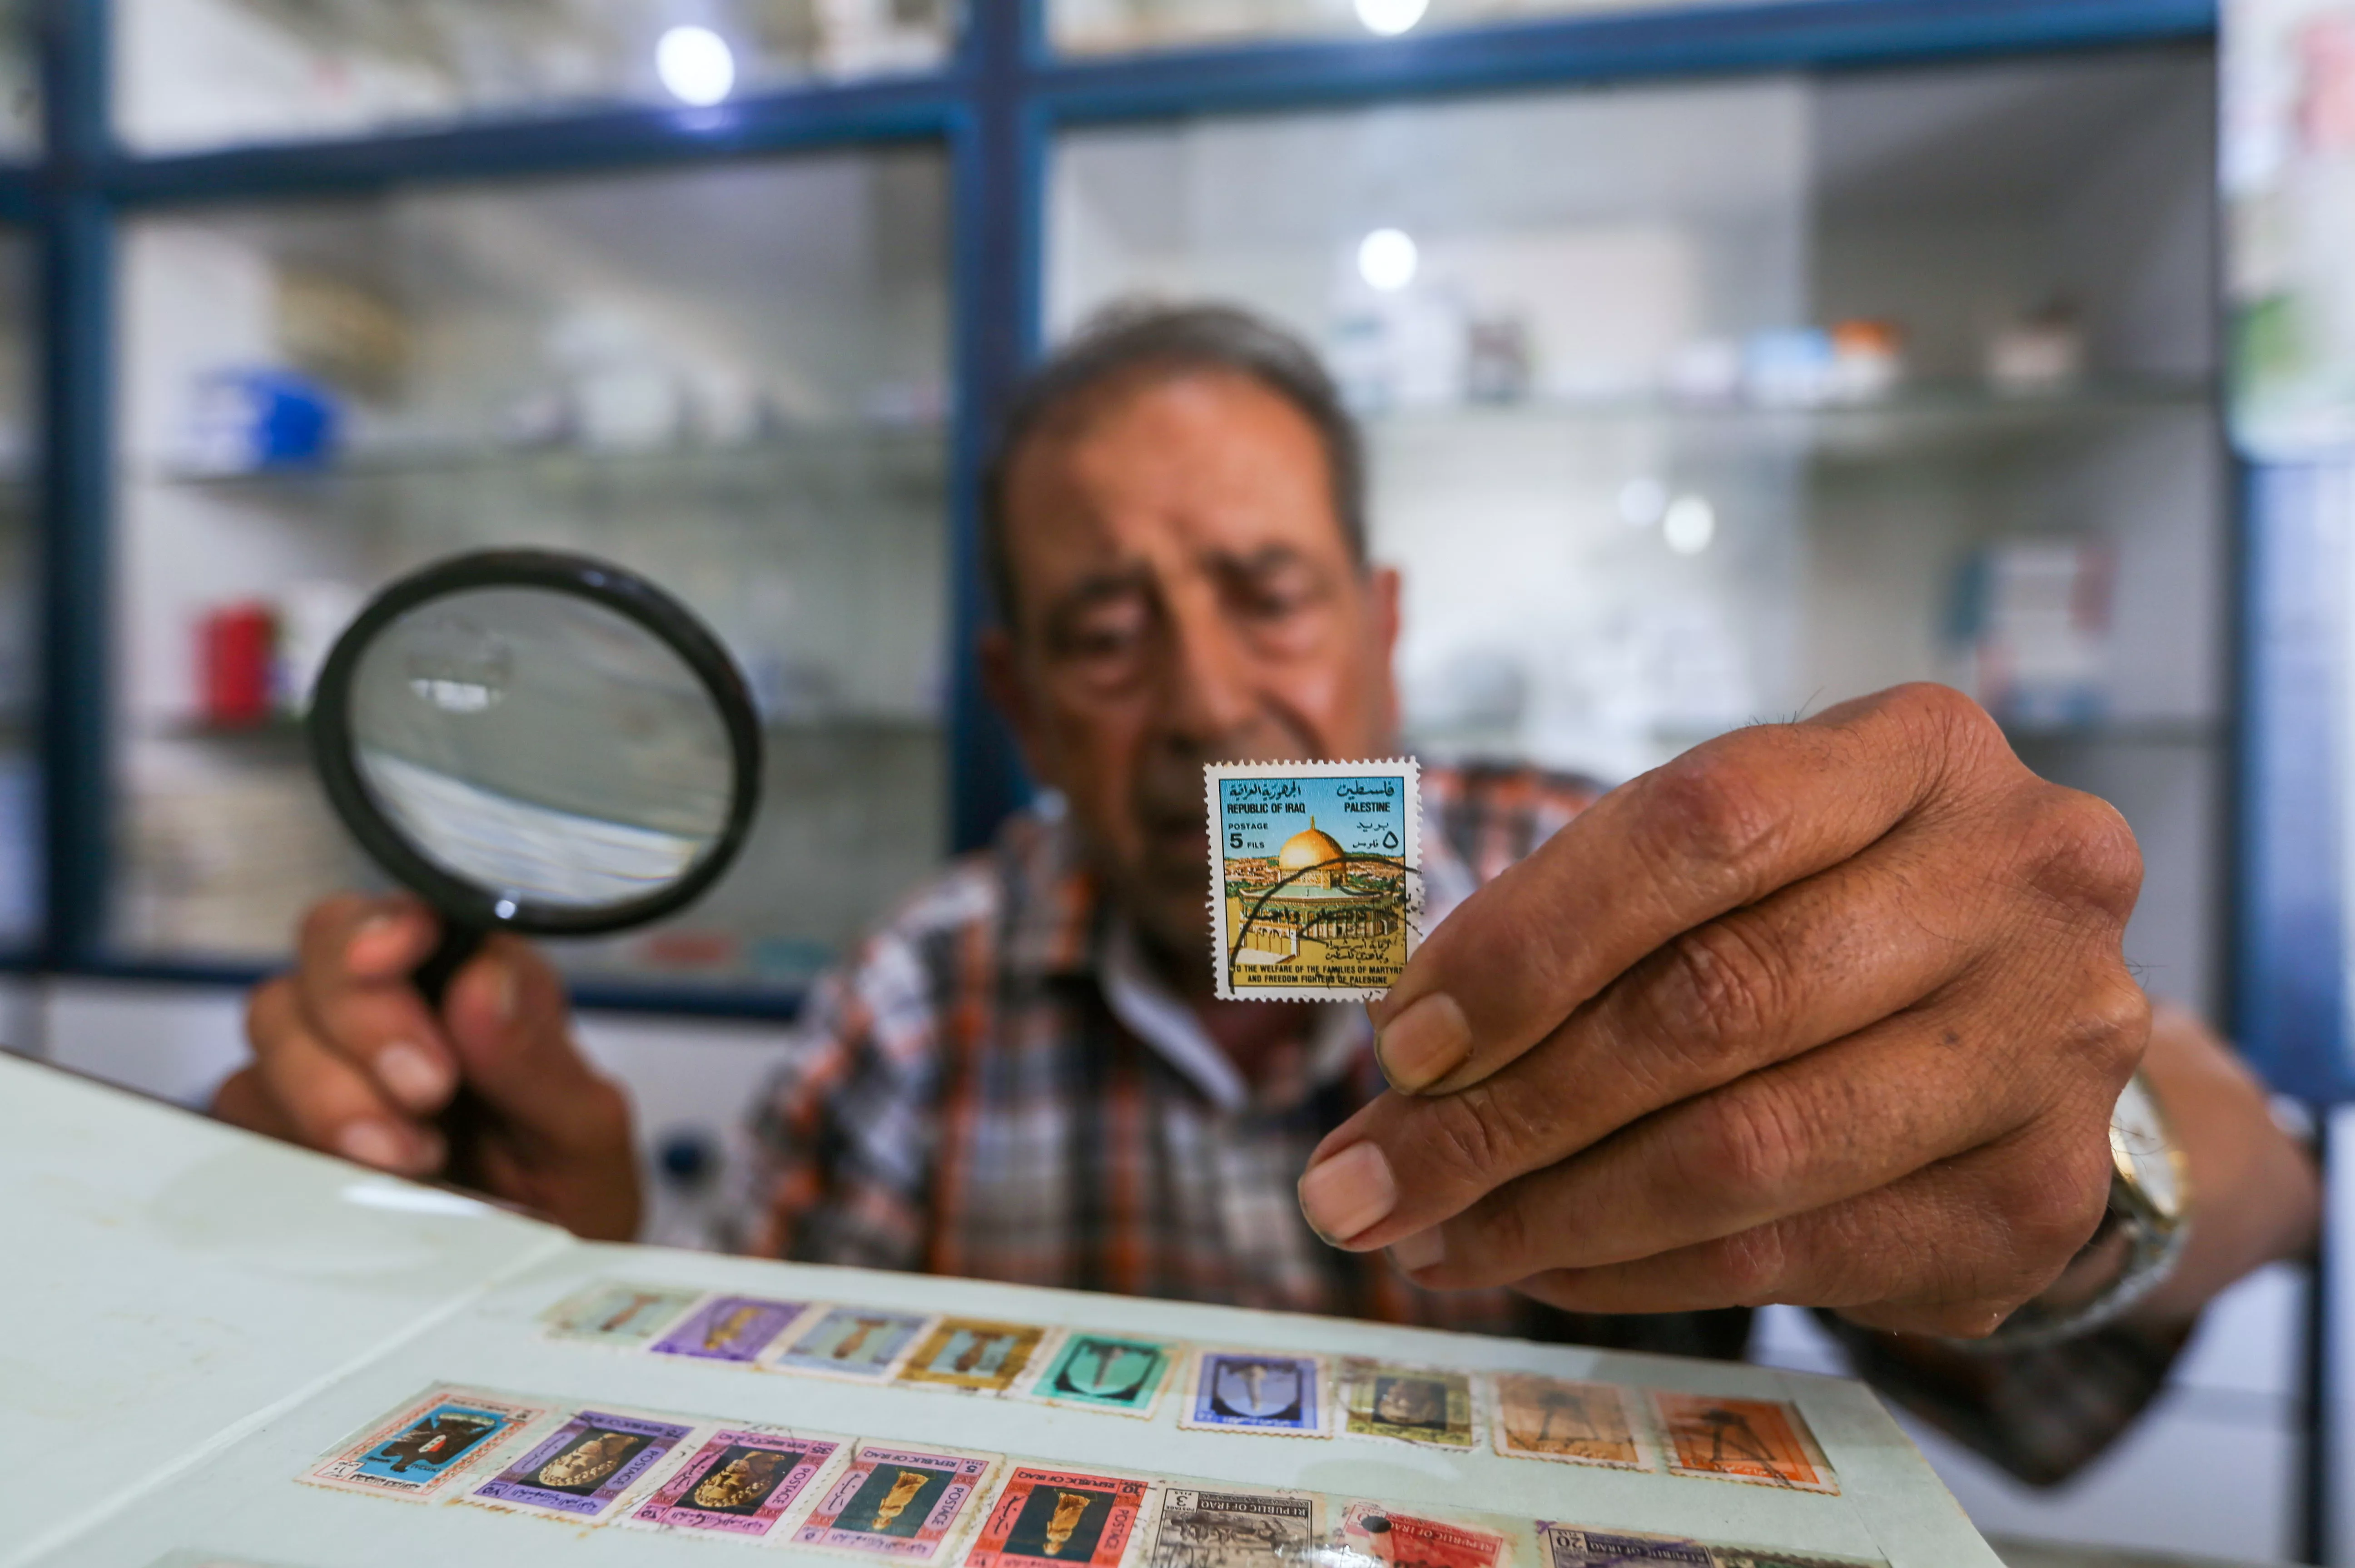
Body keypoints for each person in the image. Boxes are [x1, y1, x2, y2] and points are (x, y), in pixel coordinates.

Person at [216, 303, 2321, 1484]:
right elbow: (753, 1461)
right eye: (1112, 634)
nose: (1220, 702)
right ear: (1023, 708)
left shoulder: (1621, 894)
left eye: (1271, 593)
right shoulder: (909, 1006)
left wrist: (2079, 1145)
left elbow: (2258, 1179)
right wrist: (522, 1273)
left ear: (1387, 628)